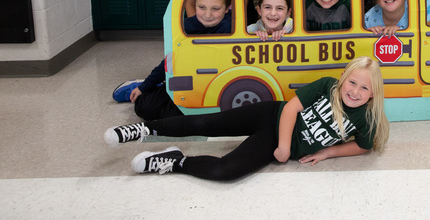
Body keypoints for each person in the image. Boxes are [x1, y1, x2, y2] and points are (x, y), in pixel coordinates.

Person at [104, 57, 390, 181]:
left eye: (364, 88)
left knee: (225, 171)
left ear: (373, 94)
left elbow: (364, 146)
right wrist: (285, 148)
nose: (355, 91)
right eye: (352, 83)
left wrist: (327, 152)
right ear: (343, 79)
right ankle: (143, 129)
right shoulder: (328, 85)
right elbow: (291, 108)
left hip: (270, 142)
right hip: (271, 116)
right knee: (205, 123)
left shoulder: (365, 118)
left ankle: (175, 161)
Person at [114, 0, 234, 121]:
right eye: (202, 7)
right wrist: (144, 87)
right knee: (144, 108)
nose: (208, 15)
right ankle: (143, 85)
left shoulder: (232, 26)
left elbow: (257, 29)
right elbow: (169, 62)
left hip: (215, 83)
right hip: (187, 80)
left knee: (216, 113)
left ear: (227, 8)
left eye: (215, 9)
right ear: (194, 5)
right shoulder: (185, 28)